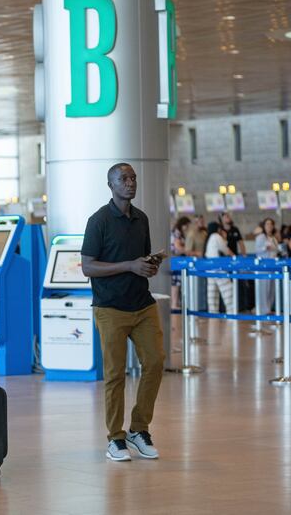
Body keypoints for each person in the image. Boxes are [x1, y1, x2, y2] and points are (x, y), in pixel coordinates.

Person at [81, 163, 165, 463]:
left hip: (142, 304)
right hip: (110, 308)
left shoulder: (141, 219)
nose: (130, 183)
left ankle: (139, 429)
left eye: (133, 178)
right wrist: (129, 265)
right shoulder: (98, 221)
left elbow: (139, 259)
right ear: (111, 185)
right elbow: (88, 266)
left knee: (155, 362)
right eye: (123, 179)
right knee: (115, 375)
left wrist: (147, 266)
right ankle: (115, 437)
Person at [204, 224, 236, 313]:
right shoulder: (216, 236)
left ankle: (213, 315)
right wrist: (234, 256)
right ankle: (231, 312)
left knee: (212, 294)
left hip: (209, 269)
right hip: (218, 268)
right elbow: (225, 250)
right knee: (228, 290)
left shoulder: (209, 238)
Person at [254, 218, 279, 313]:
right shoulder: (260, 237)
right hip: (263, 266)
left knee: (271, 289)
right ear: (264, 226)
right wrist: (266, 247)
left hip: (273, 266)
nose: (269, 226)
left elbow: (276, 250)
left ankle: (269, 308)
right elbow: (257, 250)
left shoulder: (274, 238)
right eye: (267, 224)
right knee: (263, 289)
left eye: (271, 224)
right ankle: (263, 309)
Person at [170, 216, 191, 309]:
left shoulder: (179, 233)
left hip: (178, 260)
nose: (187, 228)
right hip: (177, 260)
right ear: (183, 225)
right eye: (187, 226)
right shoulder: (177, 233)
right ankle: (174, 304)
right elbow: (178, 247)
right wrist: (189, 252)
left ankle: (176, 303)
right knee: (176, 283)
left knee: (178, 282)